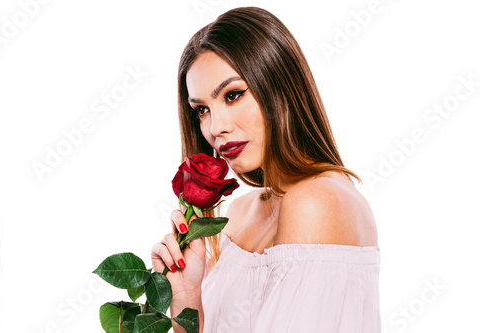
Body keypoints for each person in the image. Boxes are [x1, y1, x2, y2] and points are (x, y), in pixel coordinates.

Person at [151, 6, 380, 333]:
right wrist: (186, 296)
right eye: (201, 110)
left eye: (232, 95)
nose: (216, 128)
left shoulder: (318, 202)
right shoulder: (242, 212)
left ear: (280, 84)